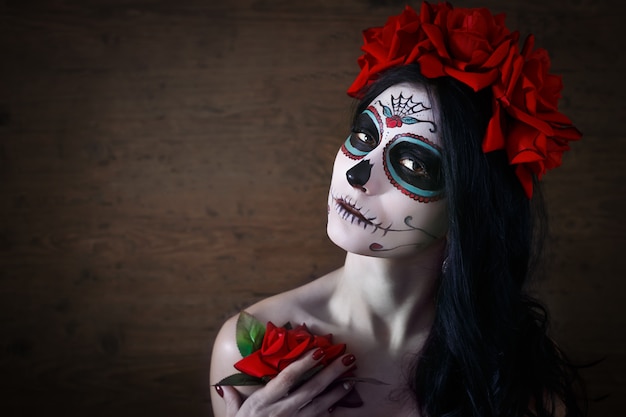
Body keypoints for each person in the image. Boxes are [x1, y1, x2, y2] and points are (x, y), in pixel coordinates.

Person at [209, 3, 585, 416]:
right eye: (364, 135)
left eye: (412, 164)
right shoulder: (251, 347)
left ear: (469, 209)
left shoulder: (517, 367)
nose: (359, 174)